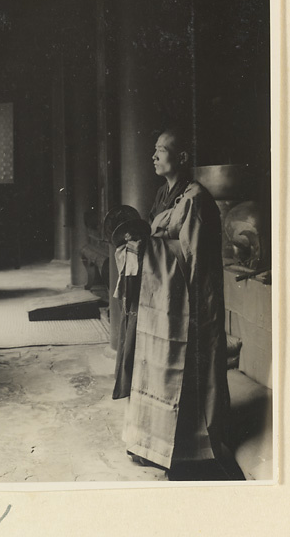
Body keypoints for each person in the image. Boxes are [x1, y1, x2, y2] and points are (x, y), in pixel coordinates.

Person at [113, 125, 240, 480]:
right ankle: (150, 443)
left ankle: (187, 451)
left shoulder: (196, 199)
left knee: (184, 372)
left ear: (181, 158)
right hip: (161, 302)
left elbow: (192, 257)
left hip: (186, 301)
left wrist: (148, 247)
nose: (153, 156)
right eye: (154, 150)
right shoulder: (163, 194)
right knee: (154, 368)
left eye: (161, 150)